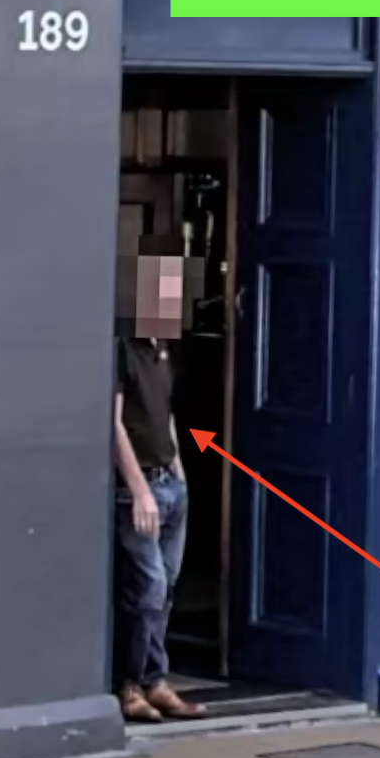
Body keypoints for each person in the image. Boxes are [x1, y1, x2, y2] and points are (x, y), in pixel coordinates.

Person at [112, 248, 206, 725]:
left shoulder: (162, 349)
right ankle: (129, 684)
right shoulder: (121, 348)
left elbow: (164, 412)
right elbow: (112, 423)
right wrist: (139, 488)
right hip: (140, 488)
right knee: (146, 587)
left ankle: (155, 679)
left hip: (170, 482)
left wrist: (179, 468)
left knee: (165, 587)